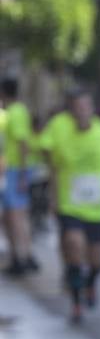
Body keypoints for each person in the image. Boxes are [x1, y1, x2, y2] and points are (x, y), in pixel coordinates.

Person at [39, 90, 100, 323]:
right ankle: (76, 302)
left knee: (96, 262)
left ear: (92, 108)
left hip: (98, 208)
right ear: (71, 110)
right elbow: (45, 148)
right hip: (70, 205)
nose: (81, 111)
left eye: (85, 106)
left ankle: (90, 283)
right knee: (74, 244)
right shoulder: (59, 127)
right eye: (77, 107)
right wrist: (53, 182)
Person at [1, 77, 39, 275]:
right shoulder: (19, 110)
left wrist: (23, 175)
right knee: (17, 215)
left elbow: (23, 143)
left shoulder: (14, 113)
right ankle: (25, 255)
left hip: (16, 169)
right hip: (17, 169)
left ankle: (21, 257)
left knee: (15, 215)